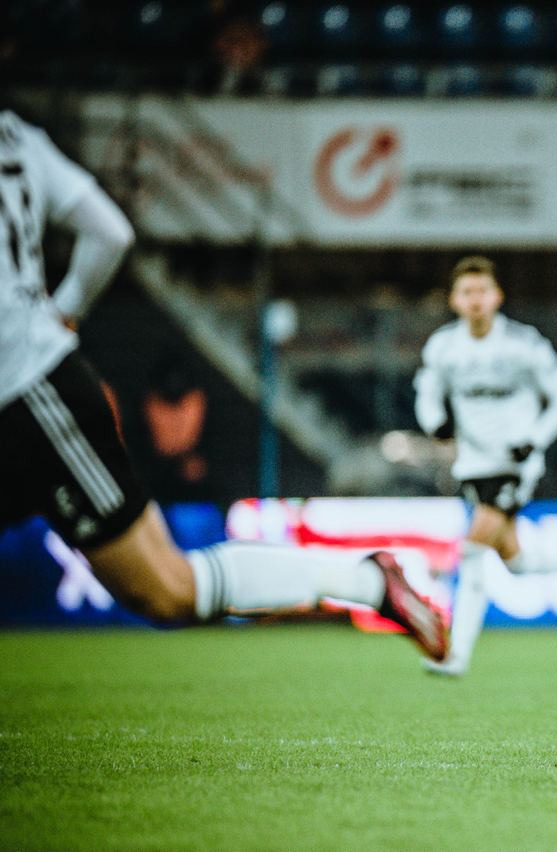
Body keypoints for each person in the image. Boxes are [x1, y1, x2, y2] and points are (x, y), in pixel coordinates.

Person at [0, 110, 447, 661]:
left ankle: (368, 583)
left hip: (22, 387)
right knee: (168, 585)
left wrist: (51, 322)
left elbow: (113, 234)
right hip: (35, 371)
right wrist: (63, 312)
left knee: (167, 589)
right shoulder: (18, 135)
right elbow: (108, 232)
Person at [413, 255, 557, 677]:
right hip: (474, 464)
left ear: (497, 297)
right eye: (467, 292)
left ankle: (456, 655)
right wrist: (434, 423)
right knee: (513, 560)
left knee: (473, 548)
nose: (475, 300)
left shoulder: (524, 343)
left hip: (516, 462)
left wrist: (534, 440)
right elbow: (427, 393)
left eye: (482, 291)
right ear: (454, 300)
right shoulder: (443, 346)